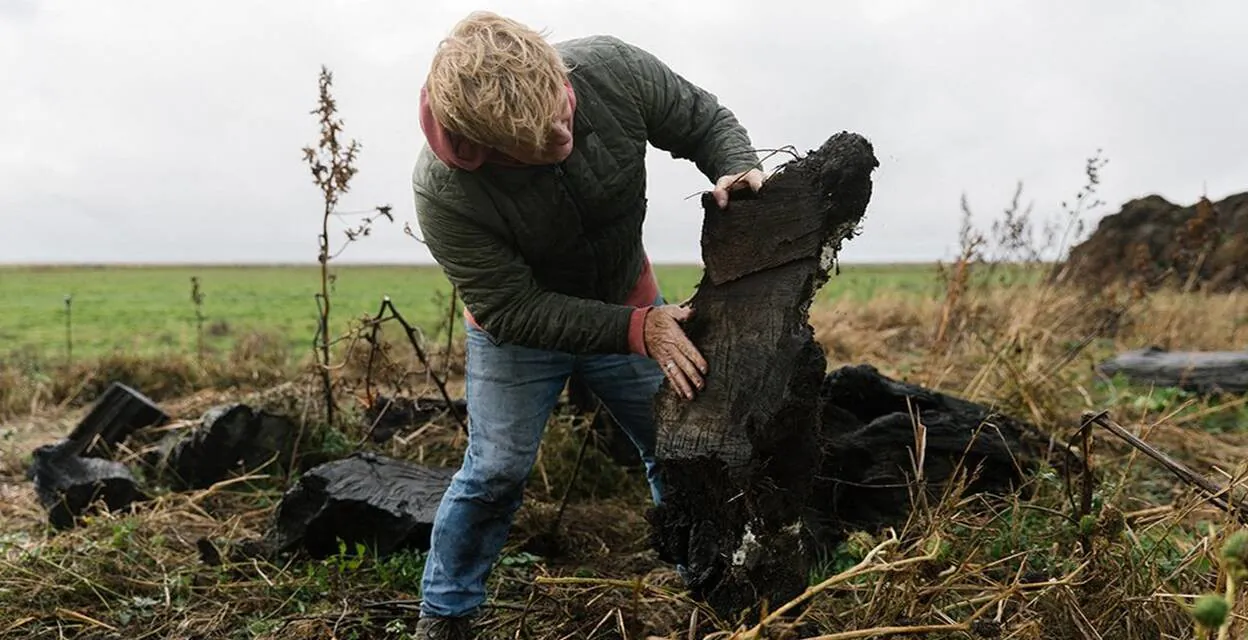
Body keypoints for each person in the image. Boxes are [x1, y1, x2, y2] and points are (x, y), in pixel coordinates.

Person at [410, 11, 764, 639]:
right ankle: (446, 613)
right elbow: (511, 308)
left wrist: (734, 165)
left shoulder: (608, 68)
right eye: (535, 138)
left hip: (630, 299)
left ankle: (705, 586)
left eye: (563, 112)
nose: (559, 133)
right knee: (495, 472)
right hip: (517, 334)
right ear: (484, 145)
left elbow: (703, 120)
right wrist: (640, 331)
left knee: (674, 447)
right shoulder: (444, 190)